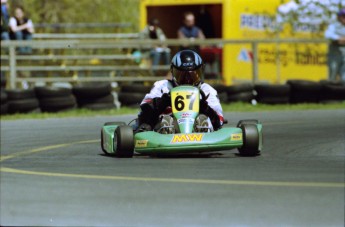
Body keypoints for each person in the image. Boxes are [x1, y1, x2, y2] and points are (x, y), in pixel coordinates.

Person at [136, 49, 224, 133]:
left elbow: (219, 120)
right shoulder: (162, 86)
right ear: (172, 71)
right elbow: (144, 111)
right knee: (163, 121)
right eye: (182, 75)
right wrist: (163, 101)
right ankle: (166, 127)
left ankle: (202, 127)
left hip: (196, 126)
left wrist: (204, 108)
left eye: (193, 75)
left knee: (203, 118)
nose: (187, 80)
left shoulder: (207, 90)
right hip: (169, 126)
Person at [324, 8, 345, 81]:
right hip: (335, 51)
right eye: (343, 16)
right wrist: (339, 38)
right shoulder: (334, 26)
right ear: (339, 17)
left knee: (344, 77)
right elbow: (328, 35)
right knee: (333, 72)